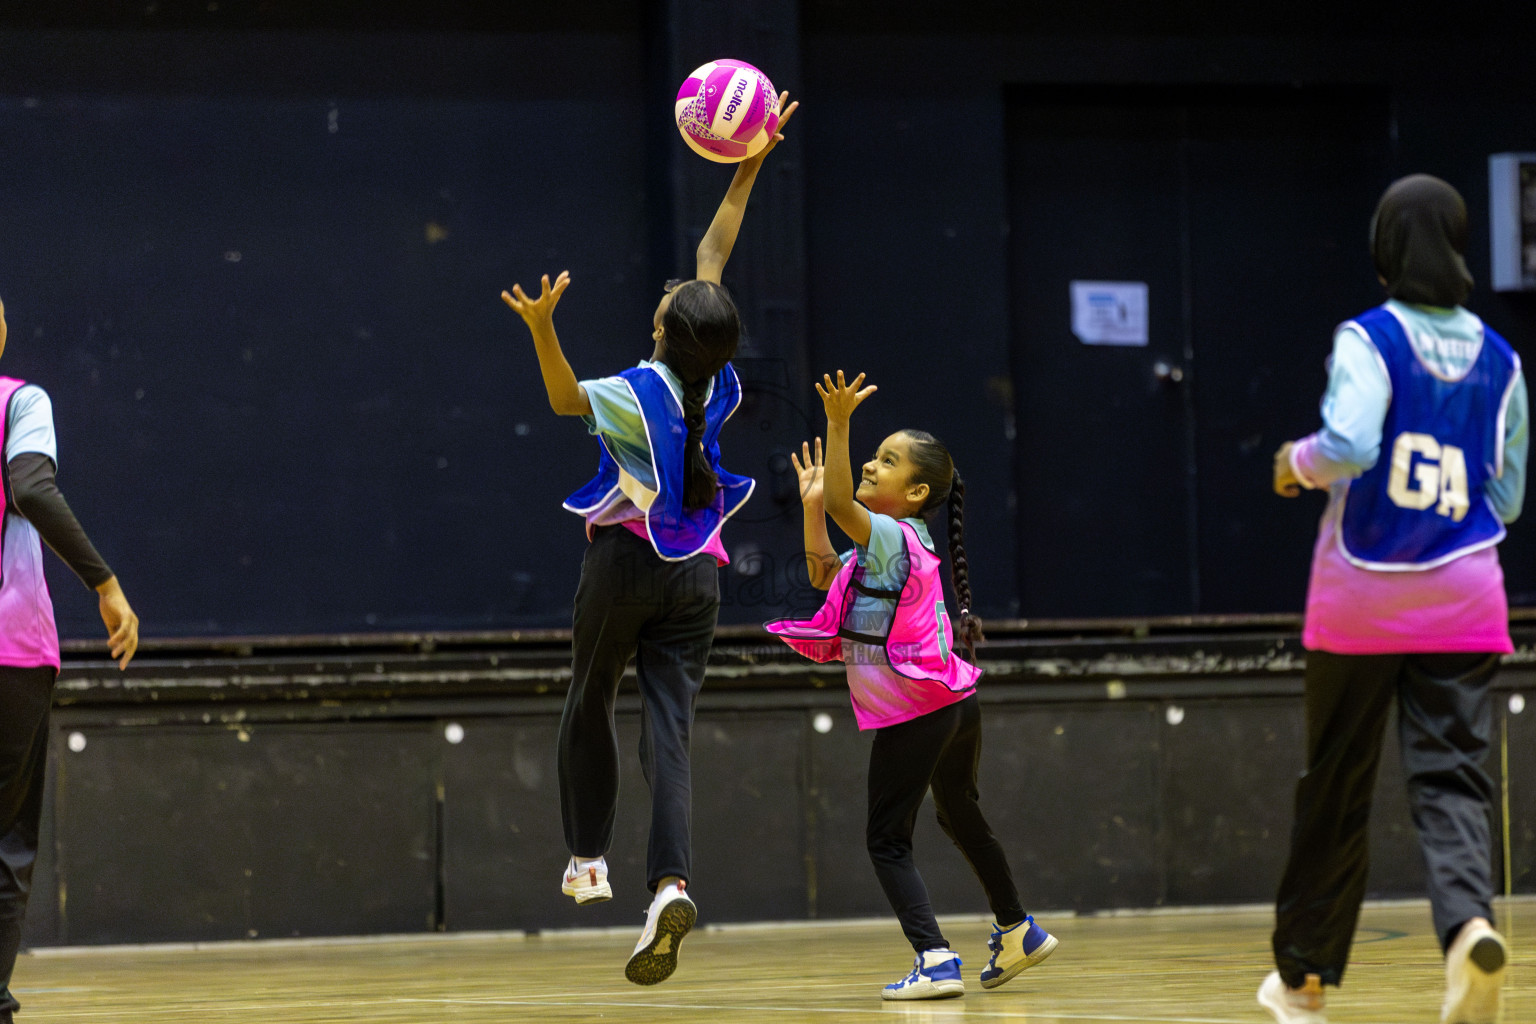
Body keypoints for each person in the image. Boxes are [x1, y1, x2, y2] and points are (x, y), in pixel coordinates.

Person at [499, 92, 795, 987]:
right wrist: (750, 162)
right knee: (669, 730)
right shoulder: (721, 385)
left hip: (624, 564)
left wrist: (545, 331)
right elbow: (713, 257)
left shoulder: (634, 388)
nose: (672, 285)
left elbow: (560, 400)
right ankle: (669, 884)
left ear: (664, 327)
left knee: (588, 695)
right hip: (698, 580)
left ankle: (588, 858)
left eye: (670, 299)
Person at [1262, 175, 1527, 1024]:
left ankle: (1303, 978)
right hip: (1467, 594)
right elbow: (1510, 497)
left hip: (1360, 598)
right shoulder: (1504, 359)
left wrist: (1293, 464)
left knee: (1336, 782)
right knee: (1454, 779)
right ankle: (1468, 932)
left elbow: (1349, 445)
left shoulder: (1368, 339)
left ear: (1385, 248)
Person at [765, 371, 1057, 1000]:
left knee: (886, 839)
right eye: (874, 455)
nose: (872, 464)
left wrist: (838, 424)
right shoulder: (892, 544)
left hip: (917, 708)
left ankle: (935, 958)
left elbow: (849, 505)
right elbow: (822, 577)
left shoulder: (893, 535)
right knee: (959, 814)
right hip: (954, 701)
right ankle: (1018, 930)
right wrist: (814, 507)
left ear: (917, 491)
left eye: (886, 461)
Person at [0, 294, 139, 1024]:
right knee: (7, 836)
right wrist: (105, 582)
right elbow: (30, 485)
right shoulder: (21, 402)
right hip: (10, 653)